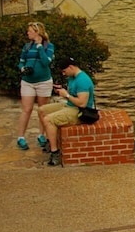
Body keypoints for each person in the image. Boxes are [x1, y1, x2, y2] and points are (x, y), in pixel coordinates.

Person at [38, 57, 95, 167]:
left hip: (79, 111)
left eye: (64, 71)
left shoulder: (83, 80)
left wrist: (66, 95)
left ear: (71, 67)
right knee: (42, 110)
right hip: (69, 105)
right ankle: (50, 141)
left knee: (48, 120)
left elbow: (82, 103)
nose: (64, 74)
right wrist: (61, 89)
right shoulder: (72, 77)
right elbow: (72, 93)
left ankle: (55, 153)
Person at [15, 21, 57, 151]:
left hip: (43, 82)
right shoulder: (27, 47)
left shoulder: (48, 46)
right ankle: (21, 137)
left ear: (37, 32)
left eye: (30, 31)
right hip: (28, 82)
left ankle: (41, 135)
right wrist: (22, 69)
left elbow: (46, 62)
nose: (27, 33)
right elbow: (21, 62)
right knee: (26, 109)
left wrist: (39, 47)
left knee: (42, 110)